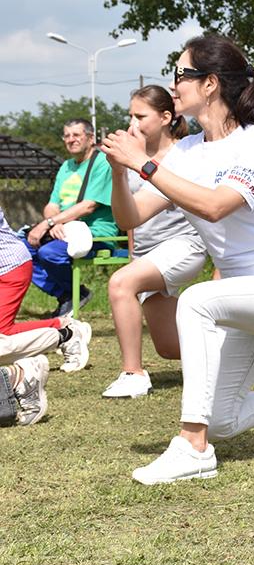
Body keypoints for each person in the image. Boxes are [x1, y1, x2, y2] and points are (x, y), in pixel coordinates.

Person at [102, 33, 254, 485]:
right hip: (246, 297)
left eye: (181, 74)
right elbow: (130, 216)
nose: (173, 85)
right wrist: (123, 172)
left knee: (197, 300)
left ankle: (193, 448)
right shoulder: (187, 152)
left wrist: (145, 165)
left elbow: (216, 205)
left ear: (211, 83)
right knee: (222, 417)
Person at [102, 86, 209, 399]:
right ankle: (231, 343)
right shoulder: (131, 157)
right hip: (148, 256)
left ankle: (132, 373)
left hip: (183, 247)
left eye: (140, 116)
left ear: (166, 117)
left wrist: (130, 275)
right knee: (170, 348)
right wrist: (119, 173)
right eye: (130, 116)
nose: (132, 123)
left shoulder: (182, 155)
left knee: (120, 284)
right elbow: (126, 219)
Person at [1, 204, 91, 426]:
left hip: (9, 269)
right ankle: (63, 326)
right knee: (5, 330)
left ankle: (65, 335)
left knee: (2, 332)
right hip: (9, 266)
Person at [23, 118, 119, 317]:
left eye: (76, 135)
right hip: (63, 230)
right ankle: (70, 294)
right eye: (66, 135)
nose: (71, 139)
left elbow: (89, 206)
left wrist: (52, 223)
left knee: (49, 253)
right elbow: (51, 205)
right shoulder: (66, 166)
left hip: (94, 234)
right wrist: (53, 224)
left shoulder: (102, 162)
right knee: (19, 251)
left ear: (91, 138)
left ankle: (73, 295)